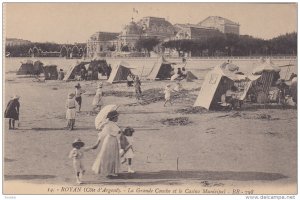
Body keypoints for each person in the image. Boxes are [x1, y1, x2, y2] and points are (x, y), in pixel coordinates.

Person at [91, 110, 121, 177]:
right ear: (113, 117)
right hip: (109, 141)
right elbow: (102, 134)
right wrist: (97, 143)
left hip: (114, 140)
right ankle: (108, 171)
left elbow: (117, 131)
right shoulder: (108, 124)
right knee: (109, 156)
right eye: (116, 117)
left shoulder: (113, 124)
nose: (117, 118)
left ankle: (112, 171)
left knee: (113, 155)